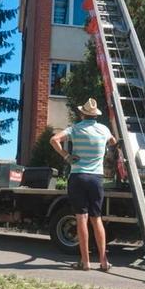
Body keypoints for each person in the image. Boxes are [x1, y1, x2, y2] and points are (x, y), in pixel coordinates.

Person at [50, 98, 116, 272]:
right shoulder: (104, 129)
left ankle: (85, 262)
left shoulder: (75, 129)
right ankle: (103, 262)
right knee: (97, 219)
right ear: (95, 115)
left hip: (78, 177)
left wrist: (66, 156)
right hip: (96, 178)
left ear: (82, 113)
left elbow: (54, 139)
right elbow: (113, 143)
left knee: (81, 219)